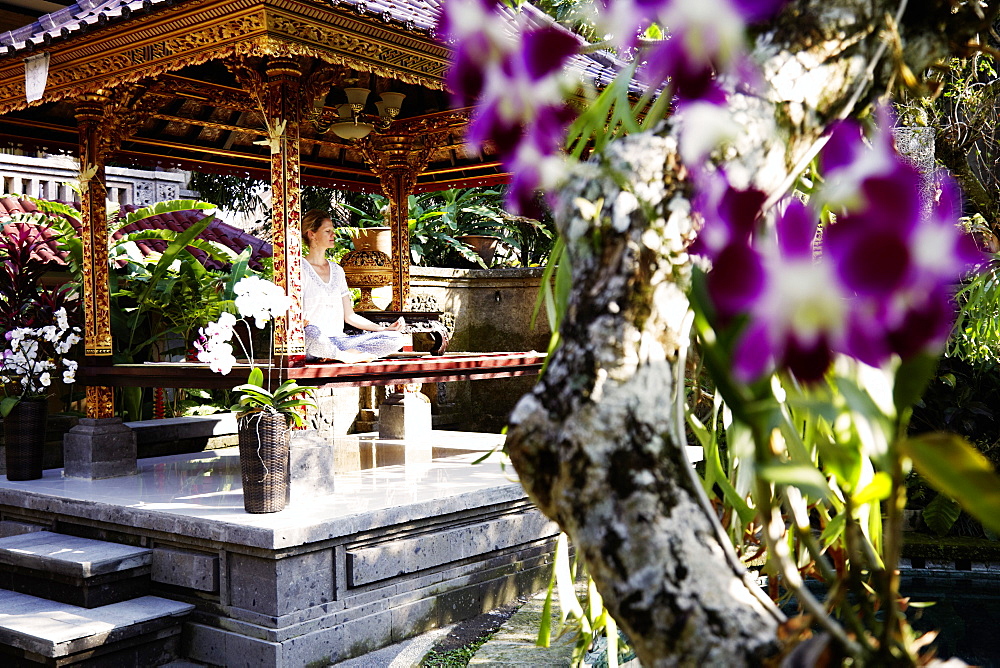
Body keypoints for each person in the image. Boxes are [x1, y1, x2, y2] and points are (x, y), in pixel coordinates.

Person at [300, 209, 407, 363]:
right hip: (314, 343)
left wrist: (383, 329)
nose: (333, 235)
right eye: (327, 231)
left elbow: (349, 316)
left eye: (333, 231)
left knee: (395, 338)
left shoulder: (337, 270)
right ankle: (344, 356)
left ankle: (340, 355)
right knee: (311, 332)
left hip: (340, 342)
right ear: (312, 234)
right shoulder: (299, 269)